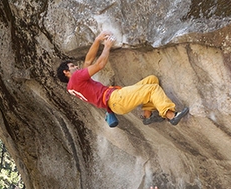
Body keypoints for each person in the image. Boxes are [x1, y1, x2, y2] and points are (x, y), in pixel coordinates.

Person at [56, 31, 189, 127]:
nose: (76, 67)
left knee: (151, 80)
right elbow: (100, 65)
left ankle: (148, 115)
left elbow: (88, 60)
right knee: (152, 89)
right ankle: (171, 115)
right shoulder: (76, 78)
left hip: (115, 102)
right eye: (72, 66)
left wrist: (97, 40)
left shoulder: (73, 86)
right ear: (66, 72)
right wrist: (107, 46)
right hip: (116, 99)